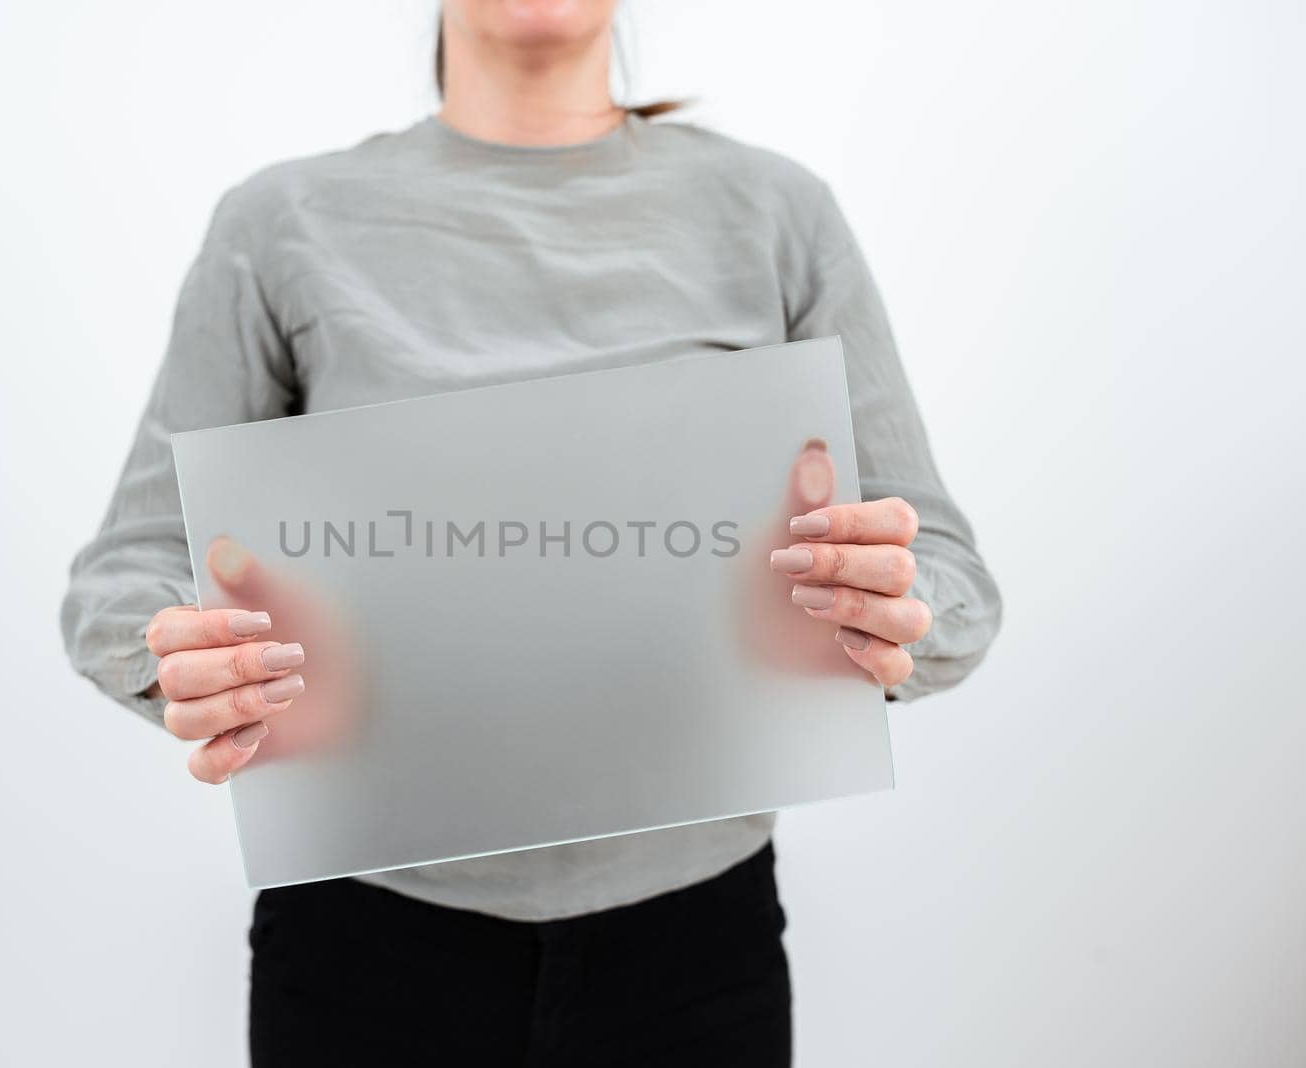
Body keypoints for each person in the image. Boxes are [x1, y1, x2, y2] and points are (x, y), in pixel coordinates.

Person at [61, 1, 1003, 1063]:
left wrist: (890, 609)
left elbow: (950, 578)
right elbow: (129, 567)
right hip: (362, 947)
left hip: (693, 943)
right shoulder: (281, 222)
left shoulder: (777, 212)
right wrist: (174, 652)